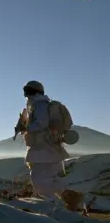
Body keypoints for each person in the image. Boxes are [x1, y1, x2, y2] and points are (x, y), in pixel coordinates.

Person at [17, 80, 83, 211]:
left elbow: (41, 124)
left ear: (32, 92)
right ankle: (72, 198)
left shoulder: (39, 105)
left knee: (38, 179)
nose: (26, 96)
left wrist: (24, 127)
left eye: (27, 92)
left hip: (42, 149)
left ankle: (50, 207)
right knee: (52, 179)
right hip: (52, 148)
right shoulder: (44, 105)